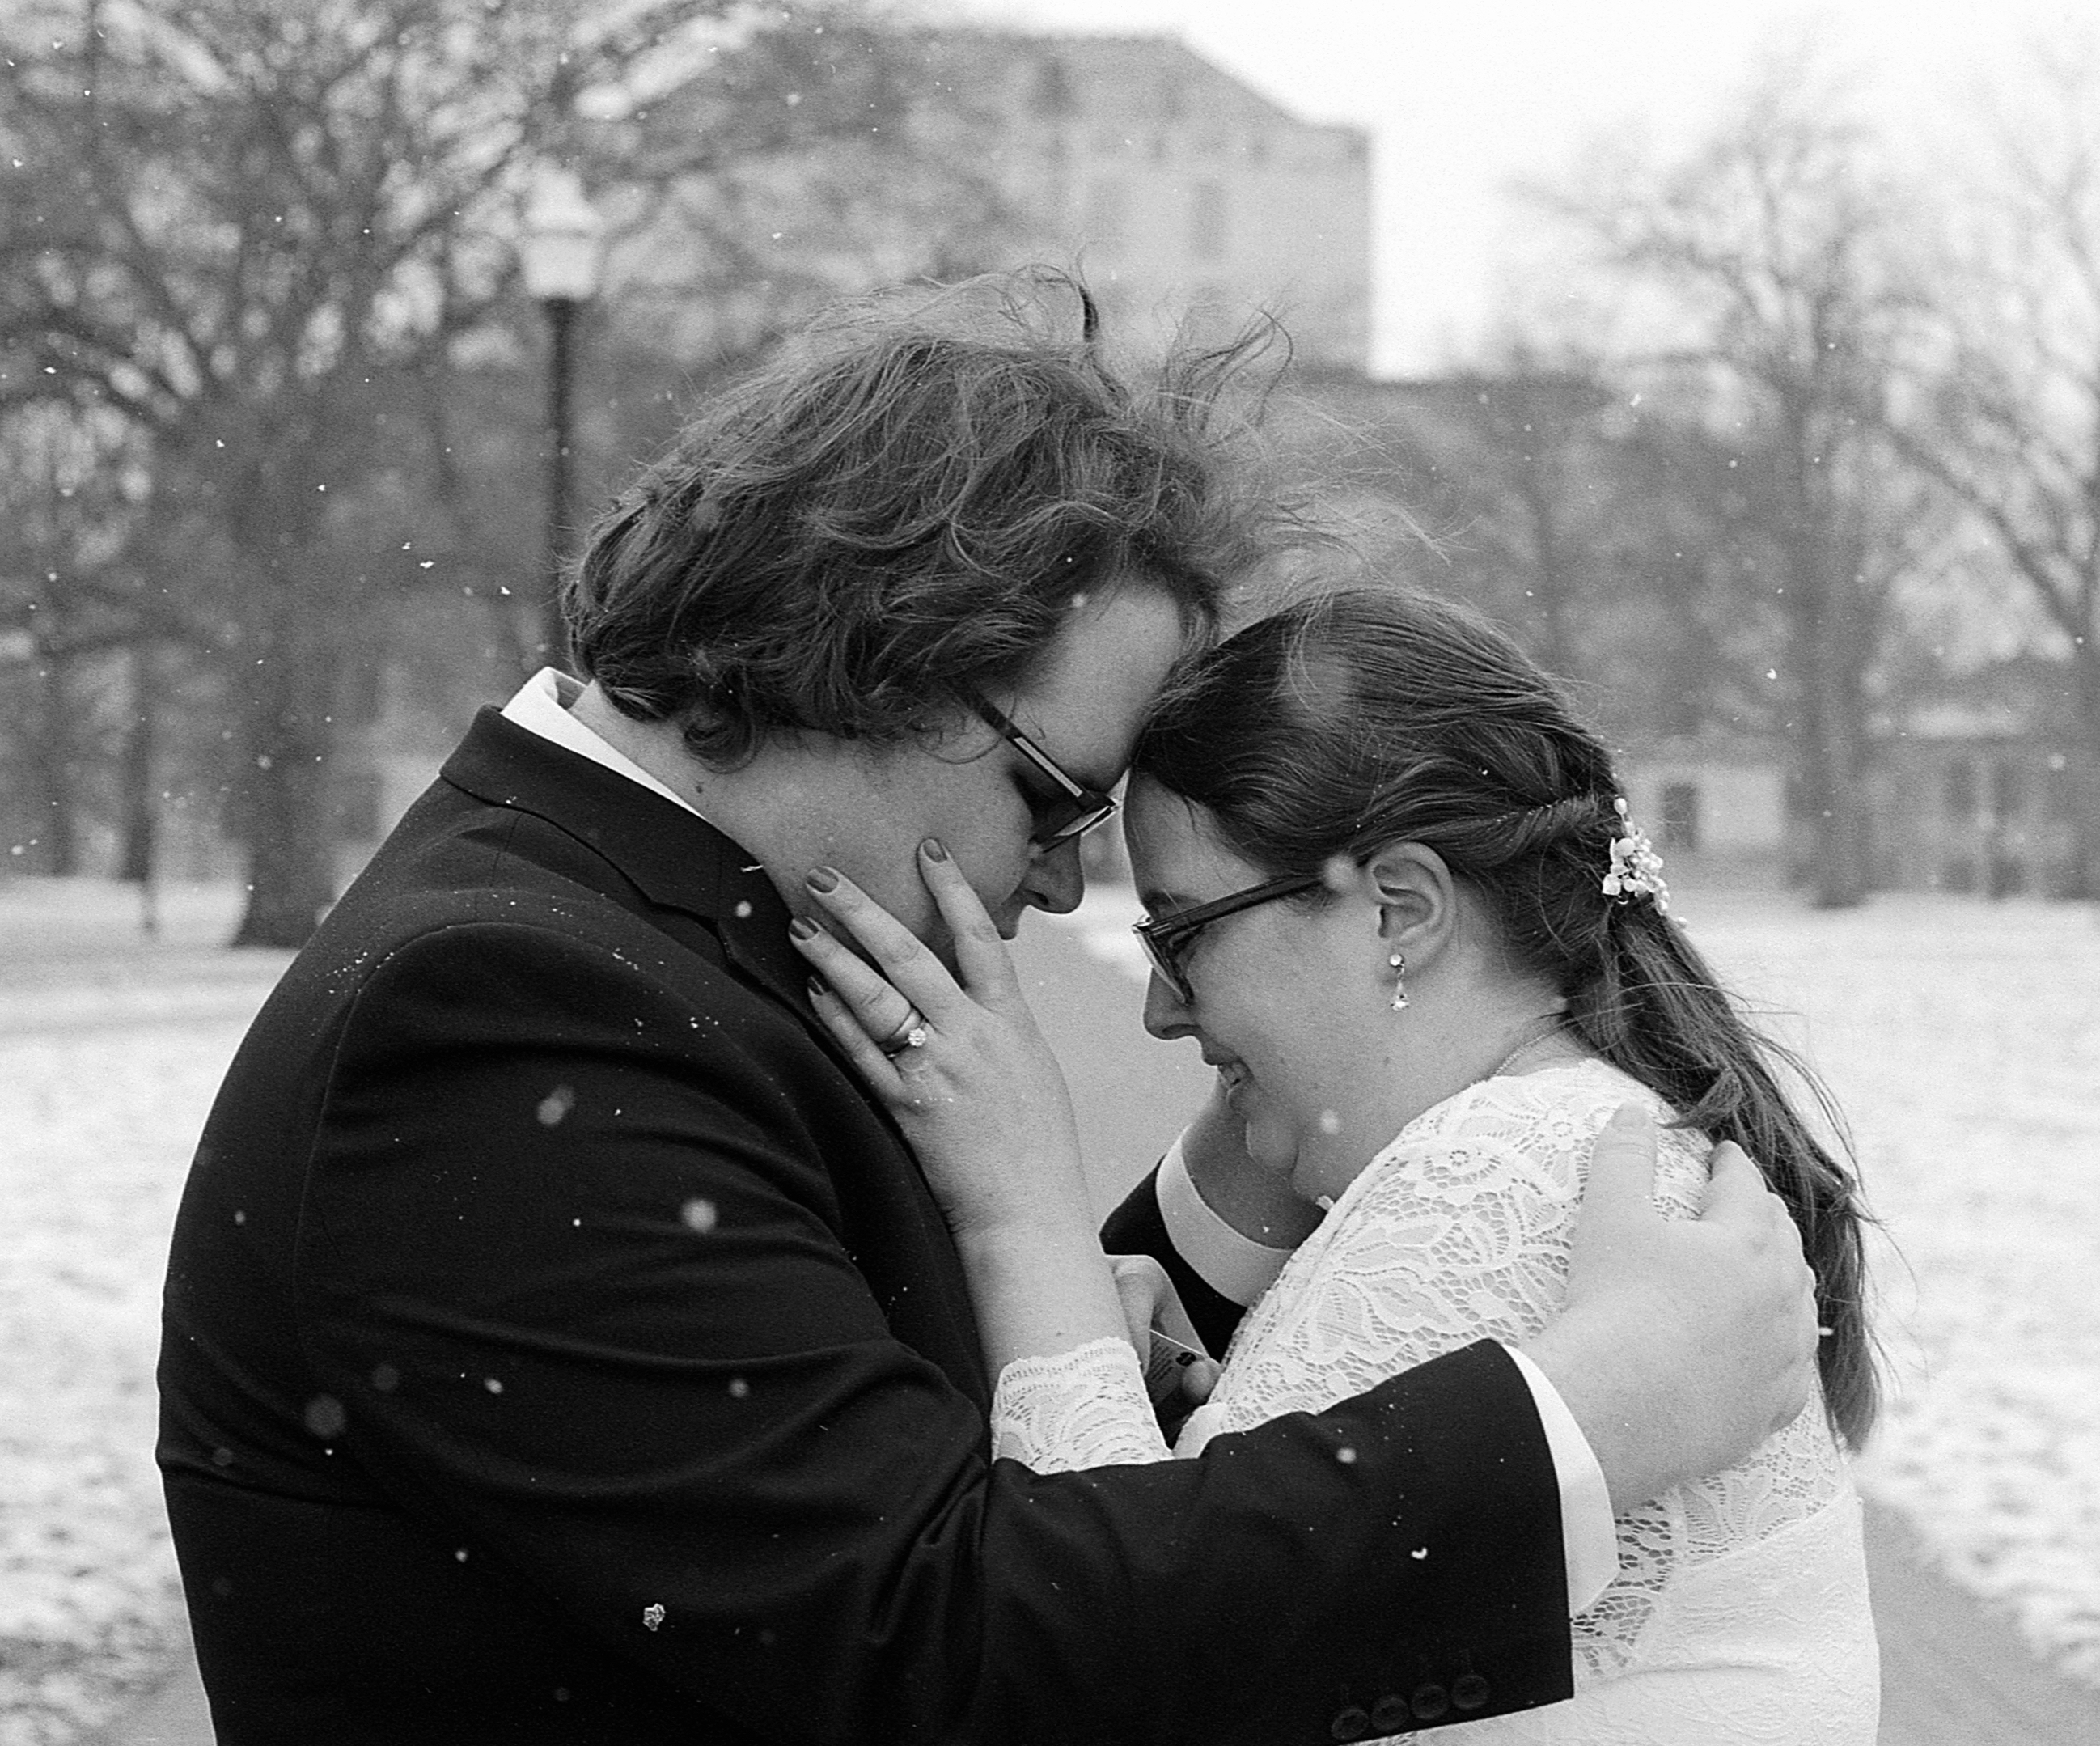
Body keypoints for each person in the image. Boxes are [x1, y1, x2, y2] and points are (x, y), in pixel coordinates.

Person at [157, 273, 1819, 1744]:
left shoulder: (634, 945)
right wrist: (1587, 1413)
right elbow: (941, 1648)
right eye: (1054, 795)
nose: (1055, 886)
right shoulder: (497, 1016)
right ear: (866, 650)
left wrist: (1205, 1214)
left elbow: (871, 1455)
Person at [796, 587, 1880, 1740]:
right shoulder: (1580, 1134)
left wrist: (1019, 1209)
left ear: (1399, 910)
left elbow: (1115, 1661)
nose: (1162, 1008)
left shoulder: (1503, 1175)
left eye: (1181, 932)